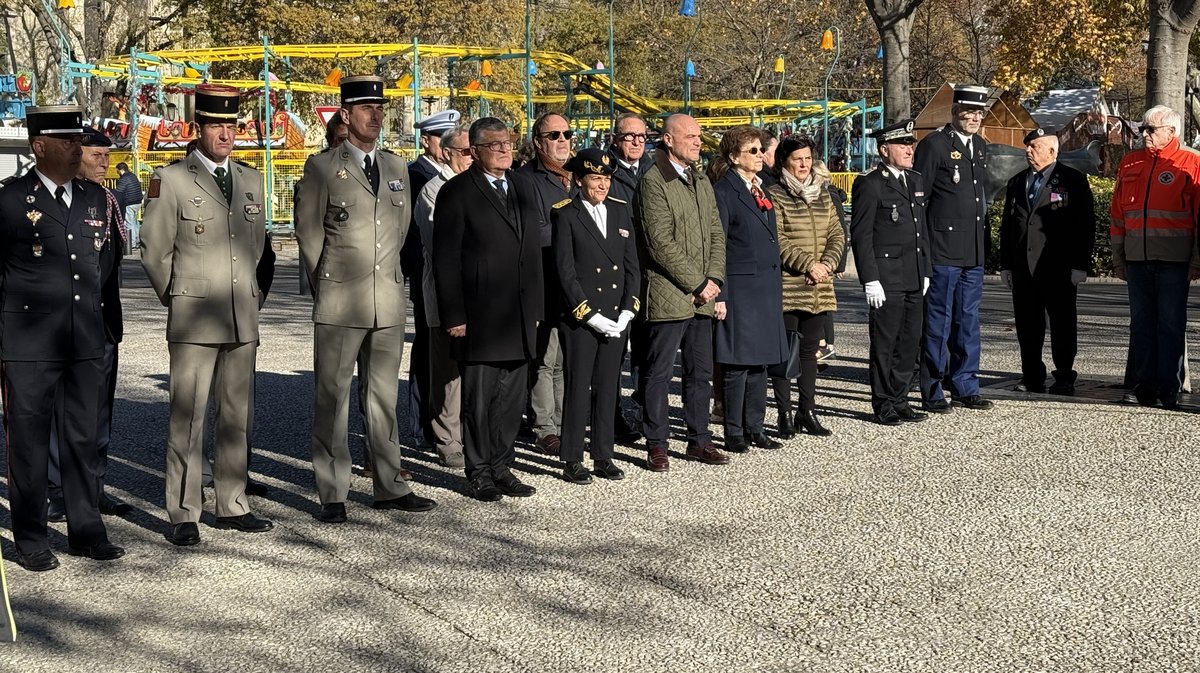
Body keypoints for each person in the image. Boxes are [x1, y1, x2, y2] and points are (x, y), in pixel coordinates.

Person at [295, 75, 437, 523]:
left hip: (387, 300)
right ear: (345, 114)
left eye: (379, 108)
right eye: (365, 108)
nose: (375, 115)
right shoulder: (322, 168)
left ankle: (390, 486)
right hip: (340, 299)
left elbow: (399, 233)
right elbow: (310, 236)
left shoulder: (397, 169)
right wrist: (330, 284)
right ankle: (333, 491)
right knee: (332, 398)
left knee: (382, 398)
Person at [141, 85, 274, 546]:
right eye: (216, 125)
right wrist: (179, 297)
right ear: (197, 129)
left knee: (237, 414)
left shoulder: (251, 180)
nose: (225, 134)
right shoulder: (173, 179)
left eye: (231, 125)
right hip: (195, 316)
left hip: (241, 315)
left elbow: (256, 247)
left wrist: (251, 294)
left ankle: (232, 503)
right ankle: (183, 510)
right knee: (189, 415)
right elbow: (154, 252)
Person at [0, 106, 125, 570]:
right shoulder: (11, 201)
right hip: (29, 342)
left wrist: (106, 326)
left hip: (86, 338)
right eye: (67, 141)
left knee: (83, 439)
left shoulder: (95, 198)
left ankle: (86, 530)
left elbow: (106, 266)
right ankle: (31, 537)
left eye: (79, 141)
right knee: (29, 446)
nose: (77, 149)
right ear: (39, 146)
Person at [433, 117, 543, 501]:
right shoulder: (457, 192)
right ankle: (478, 470)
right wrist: (455, 317)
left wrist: (537, 306)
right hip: (479, 315)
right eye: (494, 145)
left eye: (508, 142)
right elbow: (444, 259)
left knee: (511, 401)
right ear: (475, 151)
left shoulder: (523, 185)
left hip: (519, 313)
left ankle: (502, 466)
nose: (504, 149)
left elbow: (533, 248)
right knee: (479, 401)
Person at [45, 128, 131, 522]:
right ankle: (58, 490)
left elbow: (111, 263)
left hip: (101, 325)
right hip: (56, 325)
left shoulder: (106, 201)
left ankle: (93, 487)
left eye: (107, 156)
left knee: (98, 412)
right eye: (97, 155)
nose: (104, 163)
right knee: (58, 412)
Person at [635, 113, 727, 471]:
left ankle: (699, 439)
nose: (697, 141)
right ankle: (656, 443)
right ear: (668, 140)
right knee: (658, 373)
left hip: (703, 295)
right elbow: (659, 243)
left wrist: (715, 278)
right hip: (669, 292)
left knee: (700, 372)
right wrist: (698, 282)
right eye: (689, 136)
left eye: (699, 136)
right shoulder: (654, 180)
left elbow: (717, 233)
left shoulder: (701, 179)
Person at [552, 147, 640, 484]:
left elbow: (632, 265)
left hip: (616, 314)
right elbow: (565, 271)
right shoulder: (566, 213)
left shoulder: (619, 211)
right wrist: (587, 313)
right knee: (578, 385)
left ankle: (604, 453)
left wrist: (629, 309)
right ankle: (573, 457)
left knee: (608, 385)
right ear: (580, 179)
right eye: (595, 178)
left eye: (605, 178)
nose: (601, 185)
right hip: (583, 316)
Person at [1110, 105, 1200, 409]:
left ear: (1171, 132)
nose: (1144, 134)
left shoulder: (1191, 163)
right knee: (1141, 324)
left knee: (1171, 324)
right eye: (1142, 129)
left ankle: (1169, 390)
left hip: (1175, 260)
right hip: (1137, 259)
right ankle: (1142, 387)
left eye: (1150, 129)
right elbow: (1118, 214)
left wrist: (1196, 258)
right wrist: (1119, 256)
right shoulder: (1130, 163)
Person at [915, 84, 994, 413]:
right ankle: (932, 387)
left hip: (972, 251)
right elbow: (921, 201)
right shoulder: (935, 145)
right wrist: (923, 252)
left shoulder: (979, 146)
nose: (975, 117)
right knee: (938, 321)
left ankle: (965, 384)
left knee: (968, 320)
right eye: (969, 111)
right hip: (943, 249)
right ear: (955, 111)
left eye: (980, 112)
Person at [709, 126, 787, 453]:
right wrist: (721, 294)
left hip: (764, 287)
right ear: (733, 157)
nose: (759, 156)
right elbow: (719, 244)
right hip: (740, 287)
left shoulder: (761, 188)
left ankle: (756, 426)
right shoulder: (725, 191)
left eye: (759, 149)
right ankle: (734, 430)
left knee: (761, 362)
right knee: (738, 363)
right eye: (752, 151)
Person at [1000, 127, 1095, 395]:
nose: (1028, 151)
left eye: (1035, 146)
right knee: (1028, 327)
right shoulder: (1017, 182)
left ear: (1052, 151)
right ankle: (1032, 376)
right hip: (1023, 268)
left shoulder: (1072, 180)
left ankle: (1064, 376)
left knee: (1063, 325)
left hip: (1059, 267)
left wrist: (1080, 265)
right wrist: (1006, 264)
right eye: (1027, 146)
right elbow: (1009, 226)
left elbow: (1085, 226)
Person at [851, 120, 932, 426]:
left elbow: (920, 231)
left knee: (910, 342)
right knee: (886, 343)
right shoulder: (871, 184)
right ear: (885, 150)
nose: (909, 150)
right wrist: (870, 279)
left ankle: (900, 398)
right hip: (887, 277)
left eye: (910, 144)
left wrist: (925, 269)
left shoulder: (915, 180)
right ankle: (883, 401)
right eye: (902, 145)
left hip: (912, 274)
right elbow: (862, 236)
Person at [767, 135, 845, 438]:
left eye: (808, 158)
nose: (803, 164)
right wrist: (807, 265)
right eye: (797, 158)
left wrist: (826, 264)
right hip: (790, 283)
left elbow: (837, 233)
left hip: (820, 285)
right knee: (786, 350)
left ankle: (807, 410)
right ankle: (784, 412)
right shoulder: (775, 194)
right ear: (784, 162)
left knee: (811, 352)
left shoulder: (823, 194)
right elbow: (778, 238)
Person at [414, 124, 472, 469]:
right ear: (447, 153)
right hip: (446, 291)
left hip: (480, 294)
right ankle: (447, 437)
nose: (471, 156)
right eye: (465, 151)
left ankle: (470, 430)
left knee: (474, 369)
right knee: (446, 369)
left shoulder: (477, 185)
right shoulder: (434, 190)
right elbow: (443, 245)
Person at [519, 112, 577, 457]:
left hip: (575, 282)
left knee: (565, 358)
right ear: (538, 141)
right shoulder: (527, 179)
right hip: (545, 279)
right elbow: (534, 231)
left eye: (566, 133)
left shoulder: (576, 176)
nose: (562, 140)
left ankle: (562, 421)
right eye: (553, 135)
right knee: (546, 358)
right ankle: (545, 427)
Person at [404, 109, 461, 452]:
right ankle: (421, 425)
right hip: (426, 274)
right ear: (427, 140)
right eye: (441, 138)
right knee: (427, 354)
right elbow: (414, 233)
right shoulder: (416, 176)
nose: (447, 145)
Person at [605, 113, 652, 442]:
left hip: (650, 271)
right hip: (615, 273)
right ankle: (611, 416)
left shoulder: (655, 168)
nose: (636, 142)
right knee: (614, 351)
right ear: (615, 139)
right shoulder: (602, 169)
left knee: (648, 351)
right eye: (629, 136)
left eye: (641, 137)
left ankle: (643, 414)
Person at [114, 161, 142, 249]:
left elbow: (118, 192)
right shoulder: (132, 176)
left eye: (117, 171)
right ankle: (137, 241)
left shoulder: (123, 179)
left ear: (120, 170)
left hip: (129, 203)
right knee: (134, 222)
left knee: (129, 224)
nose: (117, 172)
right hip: (138, 202)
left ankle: (132, 243)